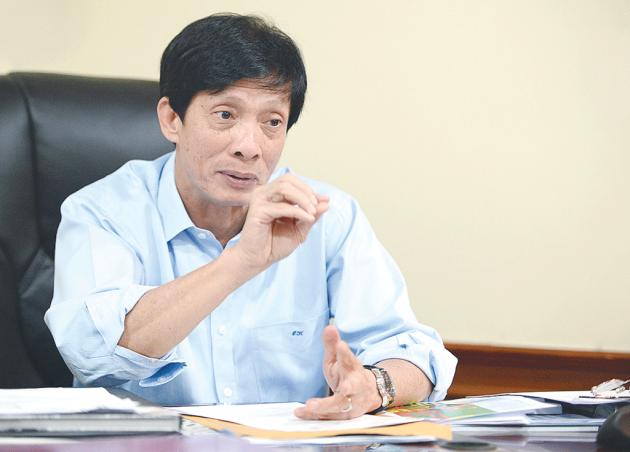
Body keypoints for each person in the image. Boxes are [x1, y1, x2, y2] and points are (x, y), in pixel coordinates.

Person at [45, 13, 456, 419]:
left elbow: (415, 352)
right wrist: (241, 262)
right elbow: (91, 352)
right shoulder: (104, 212)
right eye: (225, 115)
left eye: (271, 122)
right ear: (172, 119)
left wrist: (374, 386)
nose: (250, 147)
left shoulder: (326, 217)